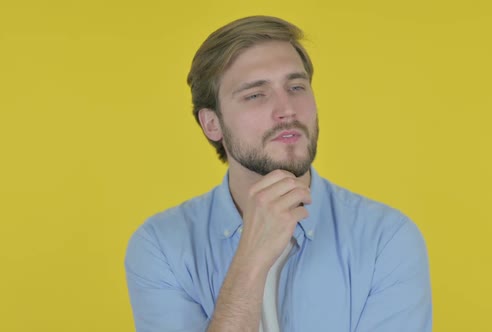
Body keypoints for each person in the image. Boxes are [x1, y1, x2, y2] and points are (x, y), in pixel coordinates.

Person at [125, 15, 432, 332]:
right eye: (255, 94)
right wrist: (250, 260)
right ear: (212, 123)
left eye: (296, 87)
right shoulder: (161, 245)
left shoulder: (386, 239)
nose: (287, 108)